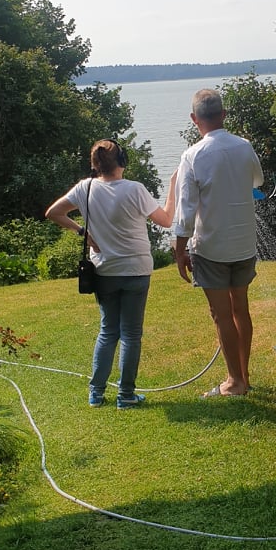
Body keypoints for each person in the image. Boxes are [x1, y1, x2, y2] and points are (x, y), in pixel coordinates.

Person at [45, 138, 177, 409]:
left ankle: (96, 393)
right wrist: (173, 188)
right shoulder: (135, 189)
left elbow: (53, 213)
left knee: (108, 331)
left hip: (104, 271)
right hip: (137, 270)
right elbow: (165, 220)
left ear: (95, 165)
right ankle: (126, 395)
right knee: (131, 334)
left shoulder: (85, 188)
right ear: (122, 161)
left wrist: (83, 232)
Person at [174, 89, 264, 398]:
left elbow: (185, 212)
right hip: (244, 243)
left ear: (194, 119)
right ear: (223, 115)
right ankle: (244, 376)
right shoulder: (244, 146)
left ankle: (234, 381)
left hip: (211, 246)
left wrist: (179, 251)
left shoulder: (192, 156)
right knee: (241, 309)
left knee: (222, 314)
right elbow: (257, 181)